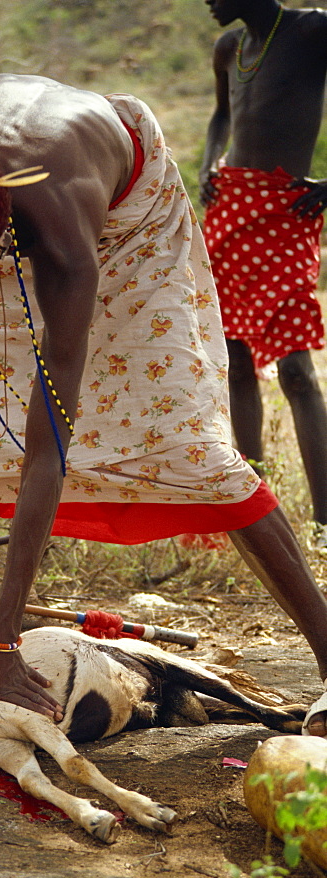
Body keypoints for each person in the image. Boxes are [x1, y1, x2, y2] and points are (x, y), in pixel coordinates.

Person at [0, 73, 327, 737]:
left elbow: (49, 441)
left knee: (184, 445)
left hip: (128, 218)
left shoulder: (63, 227)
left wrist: (6, 639)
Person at [200, 0, 327, 544]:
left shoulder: (310, 29)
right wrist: (209, 162)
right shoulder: (229, 47)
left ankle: (325, 523)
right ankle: (255, 513)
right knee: (235, 361)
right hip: (230, 207)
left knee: (297, 371)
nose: (206, 1)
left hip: (289, 208)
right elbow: (223, 115)